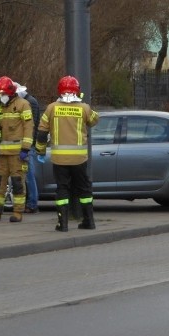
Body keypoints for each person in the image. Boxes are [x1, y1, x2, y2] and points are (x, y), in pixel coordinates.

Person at [35, 75, 99, 232]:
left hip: (59, 159)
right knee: (84, 189)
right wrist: (83, 102)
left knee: (62, 189)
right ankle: (89, 221)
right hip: (79, 158)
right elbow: (95, 120)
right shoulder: (84, 108)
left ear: (60, 90)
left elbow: (42, 133)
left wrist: (40, 151)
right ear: (77, 90)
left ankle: (62, 224)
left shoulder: (51, 108)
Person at [0, 76, 34, 223]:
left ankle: (17, 211)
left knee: (17, 183)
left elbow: (29, 128)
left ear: (10, 92)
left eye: (2, 93)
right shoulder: (2, 107)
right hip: (3, 153)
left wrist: (26, 149)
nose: (0, 96)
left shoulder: (23, 105)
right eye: (0, 94)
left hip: (17, 154)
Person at [16, 82, 40, 214]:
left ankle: (32, 203)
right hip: (28, 144)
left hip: (28, 145)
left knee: (29, 175)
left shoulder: (30, 102)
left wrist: (28, 146)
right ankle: (31, 202)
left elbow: (31, 126)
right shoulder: (30, 101)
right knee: (27, 175)